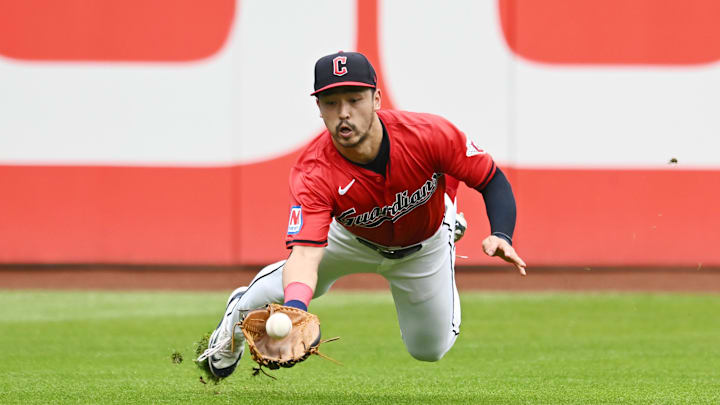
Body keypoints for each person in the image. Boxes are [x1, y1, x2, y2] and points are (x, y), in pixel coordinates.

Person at [198, 51, 526, 378]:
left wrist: (502, 233)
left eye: (354, 100)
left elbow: (491, 179)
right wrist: (296, 309)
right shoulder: (314, 170)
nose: (344, 113)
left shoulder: (428, 134)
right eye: (331, 103)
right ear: (319, 109)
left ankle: (448, 219)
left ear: (377, 99)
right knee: (283, 290)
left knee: (429, 349)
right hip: (351, 240)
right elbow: (306, 252)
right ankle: (233, 326)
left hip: (423, 246)